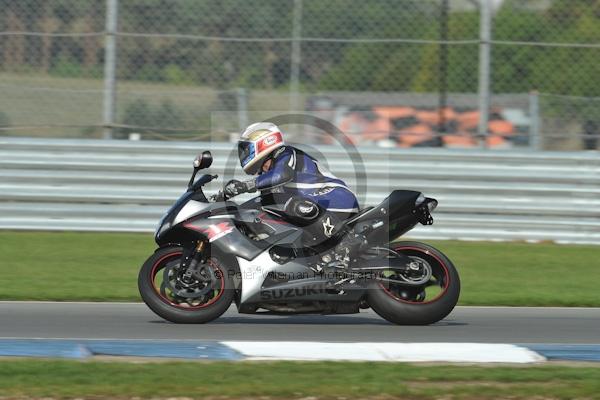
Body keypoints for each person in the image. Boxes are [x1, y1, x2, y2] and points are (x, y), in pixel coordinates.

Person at [221, 122, 359, 246]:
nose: (243, 154)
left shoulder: (284, 153)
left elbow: (281, 175)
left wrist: (245, 186)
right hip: (315, 205)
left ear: (262, 142)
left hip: (336, 197)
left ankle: (345, 242)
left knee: (293, 204)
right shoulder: (266, 177)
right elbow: (260, 203)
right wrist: (229, 210)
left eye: (245, 149)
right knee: (262, 209)